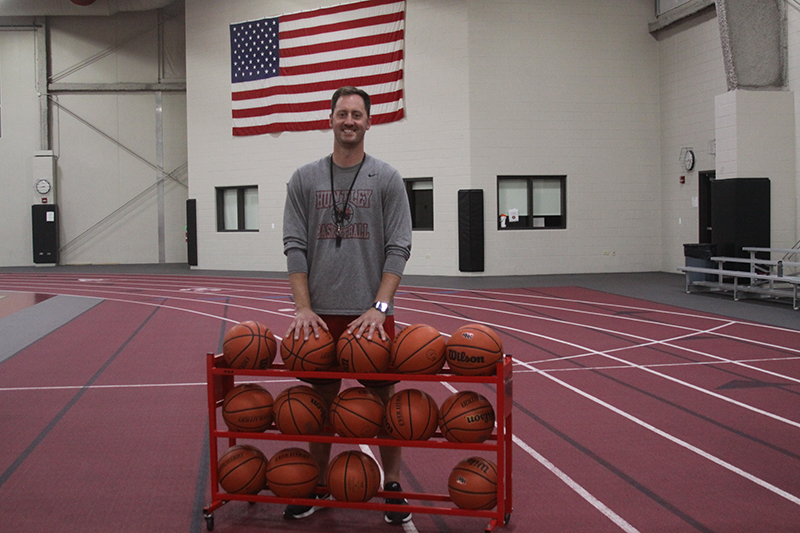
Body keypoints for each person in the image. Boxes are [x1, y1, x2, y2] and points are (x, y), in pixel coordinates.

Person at [282, 86, 413, 524]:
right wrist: (302, 308)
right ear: (331, 119)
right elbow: (295, 247)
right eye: (343, 113)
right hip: (319, 314)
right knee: (319, 403)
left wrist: (379, 307)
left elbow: (398, 248)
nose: (350, 120)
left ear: (369, 122)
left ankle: (392, 485)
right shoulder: (304, 178)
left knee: (385, 403)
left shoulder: (388, 178)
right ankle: (318, 484)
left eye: (358, 114)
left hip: (370, 314)